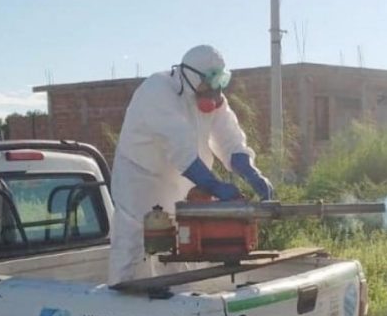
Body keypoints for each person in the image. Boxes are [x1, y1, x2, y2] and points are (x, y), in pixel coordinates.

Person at [107, 45, 273, 285]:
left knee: (180, 245)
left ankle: (175, 306)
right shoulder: (158, 90)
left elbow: (229, 138)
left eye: (220, 82)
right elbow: (180, 147)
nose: (215, 93)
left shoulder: (213, 100)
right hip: (141, 180)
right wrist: (215, 186)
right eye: (210, 82)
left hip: (182, 180)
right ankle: (121, 301)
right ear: (192, 76)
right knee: (132, 242)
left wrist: (251, 171)